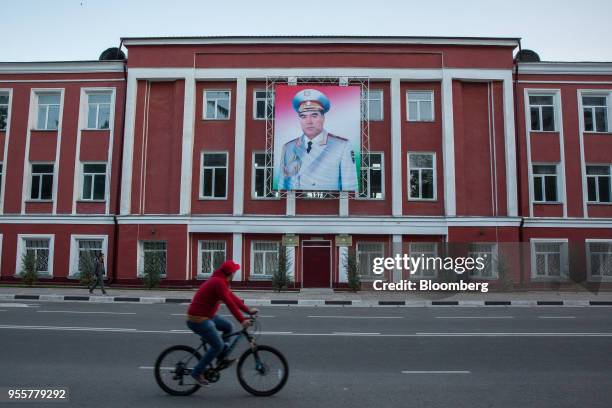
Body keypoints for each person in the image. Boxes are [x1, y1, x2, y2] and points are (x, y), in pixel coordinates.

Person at [186, 260, 258, 386]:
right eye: (235, 271)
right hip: (197, 319)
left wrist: (248, 310)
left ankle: (221, 358)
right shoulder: (218, 283)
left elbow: (232, 298)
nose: (236, 273)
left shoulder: (221, 281)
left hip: (207, 316)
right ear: (230, 273)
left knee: (228, 326)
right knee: (217, 345)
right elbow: (229, 303)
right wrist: (242, 320)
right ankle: (197, 373)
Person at [278, 88, 358, 191]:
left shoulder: (341, 146)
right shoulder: (288, 147)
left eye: (314, 115)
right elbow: (281, 186)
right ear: (299, 119)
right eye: (303, 116)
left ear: (323, 118)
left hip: (327, 205)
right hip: (294, 204)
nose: (309, 121)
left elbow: (350, 187)